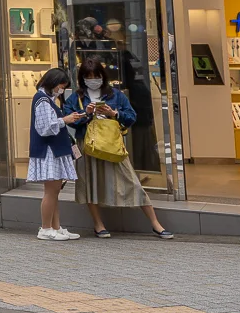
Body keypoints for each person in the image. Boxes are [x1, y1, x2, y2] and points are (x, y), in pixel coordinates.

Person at [65, 59, 172, 239]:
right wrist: (86, 114)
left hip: (112, 145)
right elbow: (69, 119)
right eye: (88, 77)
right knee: (89, 183)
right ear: (82, 78)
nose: (93, 80)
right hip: (88, 145)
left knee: (132, 181)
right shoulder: (76, 98)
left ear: (103, 76)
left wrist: (114, 113)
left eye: (96, 76)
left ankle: (156, 224)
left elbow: (131, 117)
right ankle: (98, 225)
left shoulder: (116, 95)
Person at [29, 67, 84, 241]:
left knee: (54, 192)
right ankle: (46, 228)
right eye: (61, 86)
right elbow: (45, 127)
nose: (61, 90)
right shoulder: (42, 101)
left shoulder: (47, 99)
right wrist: (64, 120)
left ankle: (55, 227)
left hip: (53, 151)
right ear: (52, 83)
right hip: (50, 151)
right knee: (51, 192)